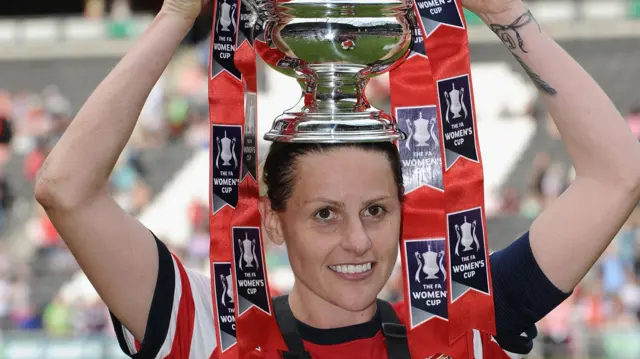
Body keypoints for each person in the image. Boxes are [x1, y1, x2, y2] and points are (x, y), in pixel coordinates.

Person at [34, 0, 640, 357]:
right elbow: (66, 190)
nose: (358, 241)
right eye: (325, 213)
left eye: (376, 210)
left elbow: (619, 176)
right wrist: (178, 14)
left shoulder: (464, 323)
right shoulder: (210, 328)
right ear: (273, 219)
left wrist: (508, 16)